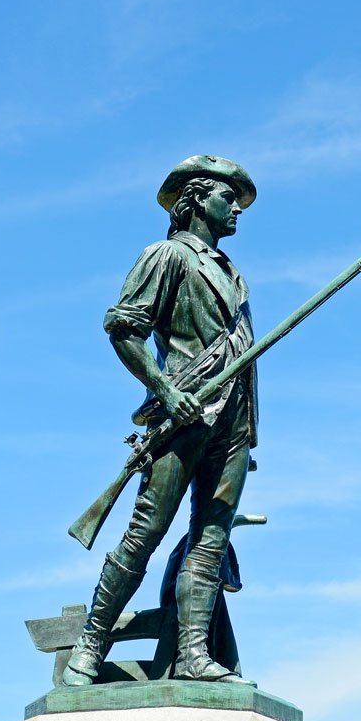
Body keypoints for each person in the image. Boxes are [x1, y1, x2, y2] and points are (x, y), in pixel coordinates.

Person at [61, 156, 260, 685]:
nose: (237, 207)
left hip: (232, 422)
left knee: (211, 538)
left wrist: (245, 428)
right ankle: (90, 644)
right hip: (183, 414)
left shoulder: (232, 274)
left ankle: (193, 655)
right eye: (227, 196)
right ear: (196, 200)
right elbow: (124, 329)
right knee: (145, 533)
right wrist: (167, 392)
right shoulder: (167, 255)